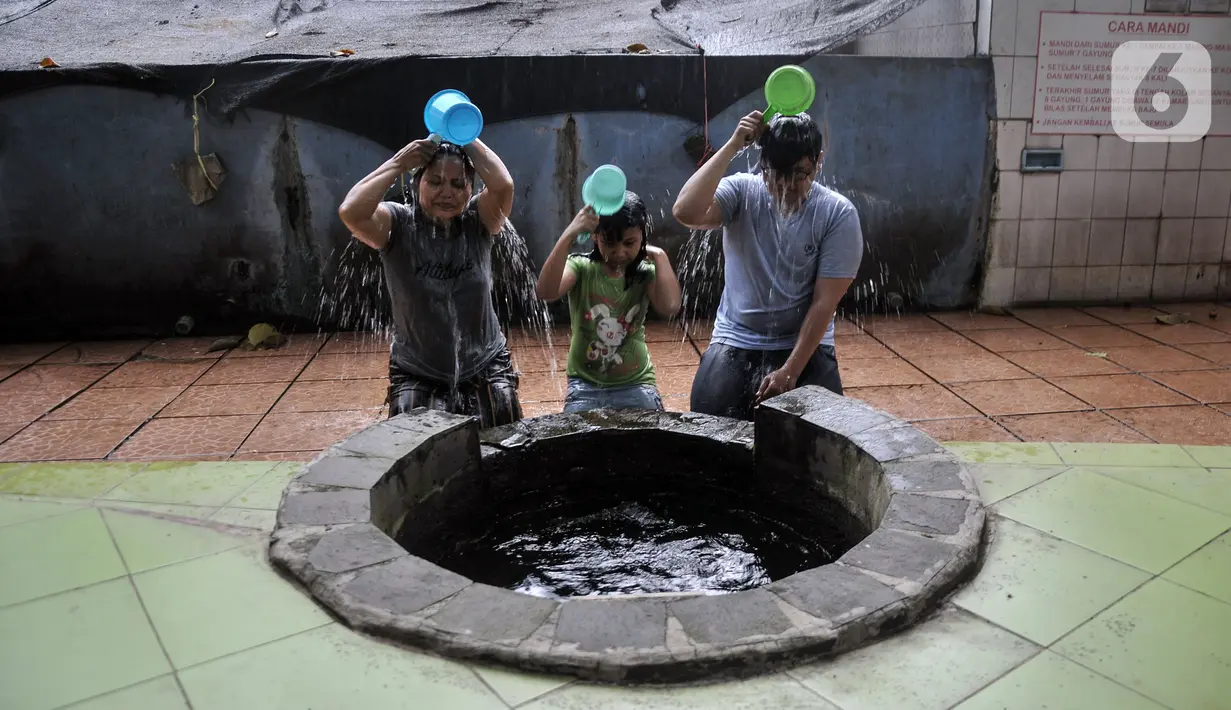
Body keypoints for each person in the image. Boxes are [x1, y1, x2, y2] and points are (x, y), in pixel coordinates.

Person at [671, 110, 863, 420]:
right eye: (778, 174)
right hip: (737, 335)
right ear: (762, 168)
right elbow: (685, 211)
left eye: (800, 173)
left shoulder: (837, 214)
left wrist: (790, 371)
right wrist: (734, 144)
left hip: (801, 339)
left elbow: (823, 304)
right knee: (710, 421)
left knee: (821, 431)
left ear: (819, 161)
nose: (788, 186)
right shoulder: (742, 191)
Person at [338, 136, 523, 427]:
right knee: (411, 441)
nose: (446, 193)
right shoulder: (397, 224)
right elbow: (351, 211)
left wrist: (465, 135)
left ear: (470, 189)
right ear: (416, 184)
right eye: (435, 182)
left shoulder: (479, 219)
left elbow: (503, 186)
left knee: (505, 426)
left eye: (458, 184)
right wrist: (398, 163)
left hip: (486, 363)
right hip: (417, 370)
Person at [535, 192, 682, 412]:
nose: (620, 252)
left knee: (650, 442)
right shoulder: (581, 267)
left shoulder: (645, 273)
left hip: (637, 382)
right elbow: (545, 292)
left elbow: (671, 306)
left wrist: (660, 256)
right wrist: (568, 235)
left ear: (643, 235)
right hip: (585, 384)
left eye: (629, 243)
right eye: (610, 242)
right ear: (595, 236)